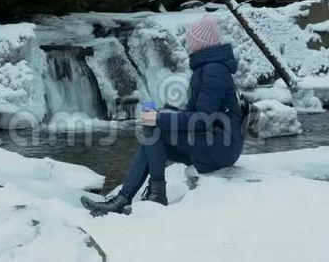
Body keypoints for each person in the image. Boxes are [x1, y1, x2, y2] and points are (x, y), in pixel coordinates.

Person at [81, 15, 244, 215]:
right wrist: (162, 116)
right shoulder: (208, 68)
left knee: (153, 129)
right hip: (218, 142)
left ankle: (153, 195)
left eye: (191, 38)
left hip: (220, 147)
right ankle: (127, 198)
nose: (187, 42)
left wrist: (159, 118)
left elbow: (202, 119)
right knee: (151, 140)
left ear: (201, 41)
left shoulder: (213, 70)